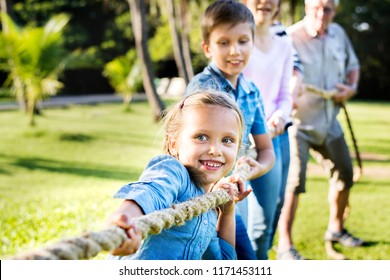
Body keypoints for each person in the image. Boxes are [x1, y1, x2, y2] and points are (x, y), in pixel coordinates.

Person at [106, 91, 252, 260]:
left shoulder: (208, 211)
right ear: (174, 144)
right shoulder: (173, 172)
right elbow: (151, 191)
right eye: (201, 137)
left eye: (227, 140)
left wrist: (227, 211)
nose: (216, 150)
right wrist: (124, 221)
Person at [185, 0, 275, 260]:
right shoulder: (202, 87)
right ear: (207, 47)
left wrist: (257, 167)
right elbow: (188, 148)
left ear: (252, 43)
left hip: (233, 201)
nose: (235, 51)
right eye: (224, 43)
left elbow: (266, 149)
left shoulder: (251, 91)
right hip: (202, 199)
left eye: (243, 41)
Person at [276, 0, 364, 260]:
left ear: (334, 11)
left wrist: (350, 87)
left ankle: (336, 229)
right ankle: (285, 246)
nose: (321, 14)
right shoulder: (290, 37)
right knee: (294, 183)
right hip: (298, 125)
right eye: (316, 7)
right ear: (306, 7)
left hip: (330, 121)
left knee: (346, 173)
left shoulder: (338, 34)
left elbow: (353, 66)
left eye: (327, 9)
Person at [241, 0, 293, 260]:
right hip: (240, 142)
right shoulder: (238, 42)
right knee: (241, 221)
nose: (265, 2)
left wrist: (279, 117)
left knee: (273, 209)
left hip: (276, 137)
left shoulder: (284, 44)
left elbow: (285, 95)